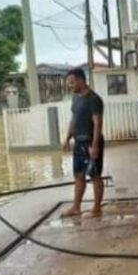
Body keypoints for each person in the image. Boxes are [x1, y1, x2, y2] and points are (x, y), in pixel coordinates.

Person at [62, 68, 105, 218]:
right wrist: (67, 138)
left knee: (95, 175)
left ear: (81, 80)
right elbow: (73, 119)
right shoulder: (76, 98)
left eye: (72, 82)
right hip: (78, 142)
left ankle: (97, 208)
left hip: (90, 142)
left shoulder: (94, 99)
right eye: (68, 83)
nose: (70, 86)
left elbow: (97, 123)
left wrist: (95, 146)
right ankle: (76, 207)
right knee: (78, 175)